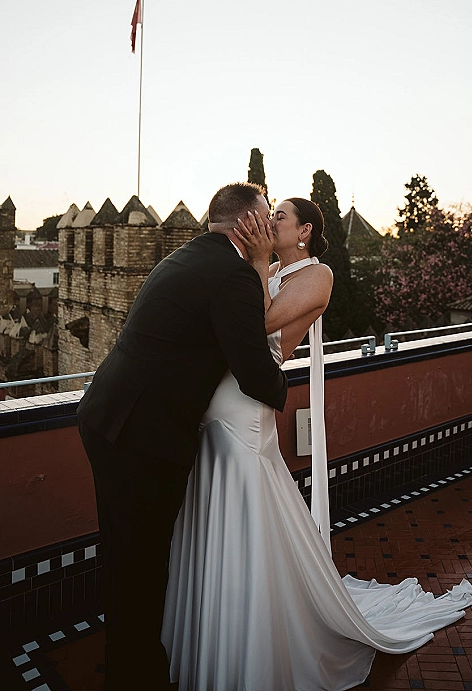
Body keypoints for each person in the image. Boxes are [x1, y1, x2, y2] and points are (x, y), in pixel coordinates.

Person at [161, 198, 472, 691]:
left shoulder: (318, 276)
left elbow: (259, 323)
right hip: (217, 396)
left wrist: (259, 258)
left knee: (245, 499)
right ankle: (214, 621)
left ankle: (254, 639)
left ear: (305, 231)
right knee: (213, 501)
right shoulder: (254, 269)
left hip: (246, 406)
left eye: (280, 218)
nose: (269, 224)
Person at [76, 183, 288, 691]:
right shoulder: (233, 274)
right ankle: (137, 675)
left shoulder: (182, 257)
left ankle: (128, 661)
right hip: (142, 436)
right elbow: (257, 373)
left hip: (106, 418)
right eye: (266, 218)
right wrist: (283, 379)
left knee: (125, 555)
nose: (270, 229)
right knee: (144, 565)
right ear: (248, 224)